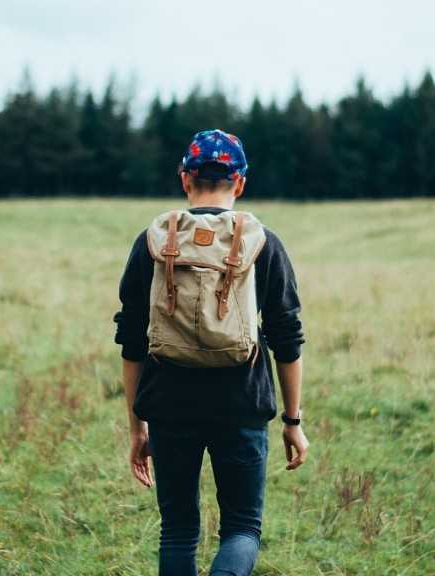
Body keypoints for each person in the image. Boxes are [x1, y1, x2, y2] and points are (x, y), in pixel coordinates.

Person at [113, 129, 309, 576]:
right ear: (239, 183)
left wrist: (136, 427)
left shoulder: (153, 241)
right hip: (241, 406)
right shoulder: (264, 243)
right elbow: (287, 337)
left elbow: (132, 340)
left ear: (186, 179)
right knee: (242, 528)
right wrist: (293, 423)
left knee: (178, 529)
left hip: (168, 406)